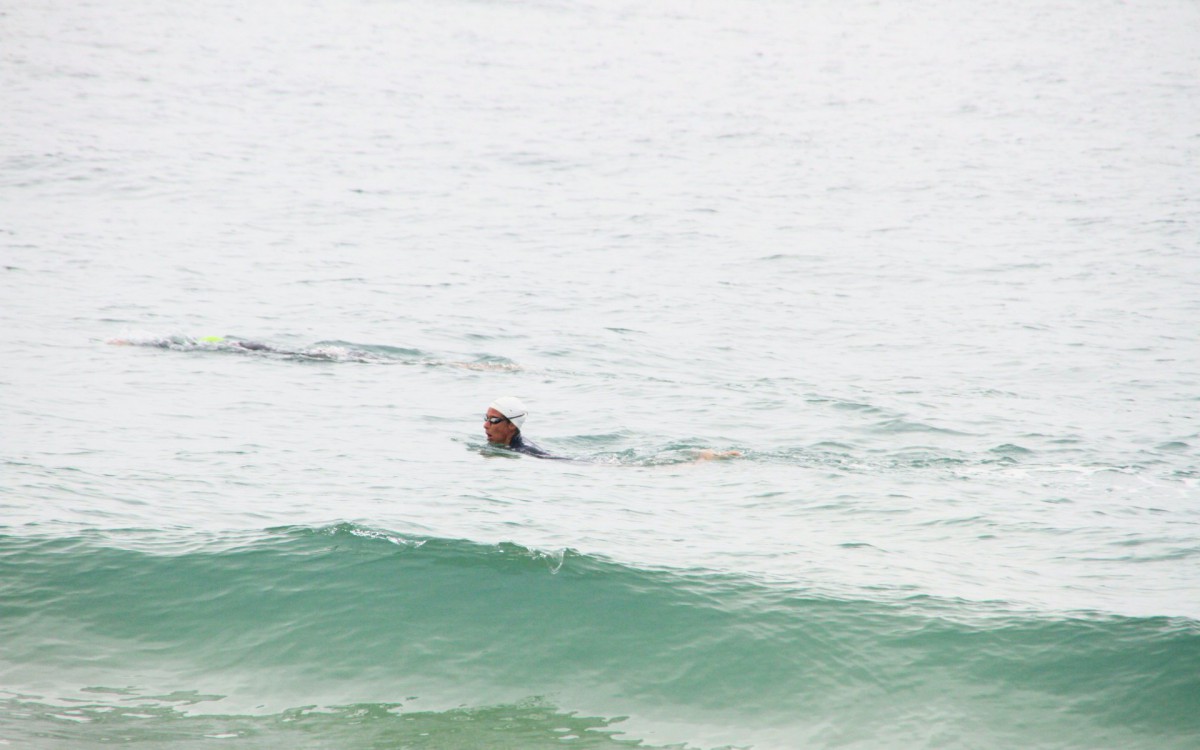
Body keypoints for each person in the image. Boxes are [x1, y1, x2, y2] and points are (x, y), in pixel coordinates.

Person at [484, 396, 561, 459]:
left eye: (494, 420)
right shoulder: (512, 446)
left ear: (512, 425)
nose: (485, 425)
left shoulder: (526, 453)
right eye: (486, 418)